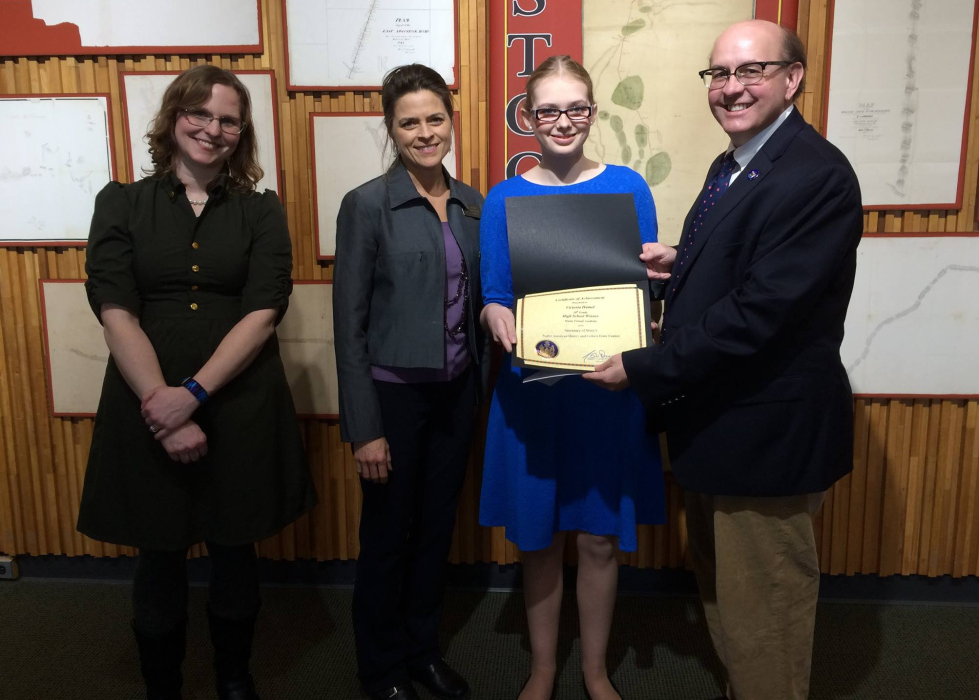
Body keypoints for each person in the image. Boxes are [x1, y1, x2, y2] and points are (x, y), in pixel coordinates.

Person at [585, 20, 864, 700]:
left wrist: (643, 366)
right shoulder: (738, 160)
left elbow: (761, 315)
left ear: (792, 77)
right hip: (719, 427)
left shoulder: (815, 174)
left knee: (764, 616)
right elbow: (757, 270)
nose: (730, 88)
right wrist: (681, 265)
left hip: (767, 439)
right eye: (718, 74)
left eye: (750, 71)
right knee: (728, 605)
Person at [77, 65, 316, 700]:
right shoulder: (120, 202)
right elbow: (115, 308)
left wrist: (194, 396)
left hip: (237, 399)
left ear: (243, 132)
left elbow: (264, 310)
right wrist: (164, 403)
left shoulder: (261, 211)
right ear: (173, 118)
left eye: (229, 120)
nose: (213, 129)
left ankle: (234, 679)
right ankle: (164, 687)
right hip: (144, 401)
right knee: (158, 552)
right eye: (200, 114)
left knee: (235, 548)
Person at [479, 55, 666, 700]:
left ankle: (594, 672)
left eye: (577, 109)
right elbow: (496, 291)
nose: (563, 122)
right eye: (548, 110)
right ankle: (540, 669)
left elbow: (644, 292)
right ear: (528, 118)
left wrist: (653, 305)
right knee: (537, 539)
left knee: (597, 539)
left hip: (607, 391)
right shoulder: (505, 197)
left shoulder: (629, 188)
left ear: (593, 113)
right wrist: (493, 309)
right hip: (532, 394)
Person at [333, 63, 488, 700]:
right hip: (393, 397)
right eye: (409, 123)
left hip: (457, 393)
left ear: (450, 120)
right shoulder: (367, 205)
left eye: (434, 118)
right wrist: (365, 430)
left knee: (435, 532)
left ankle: (423, 654)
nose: (425, 133)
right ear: (392, 130)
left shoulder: (475, 204)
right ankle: (382, 671)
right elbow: (349, 326)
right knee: (388, 537)